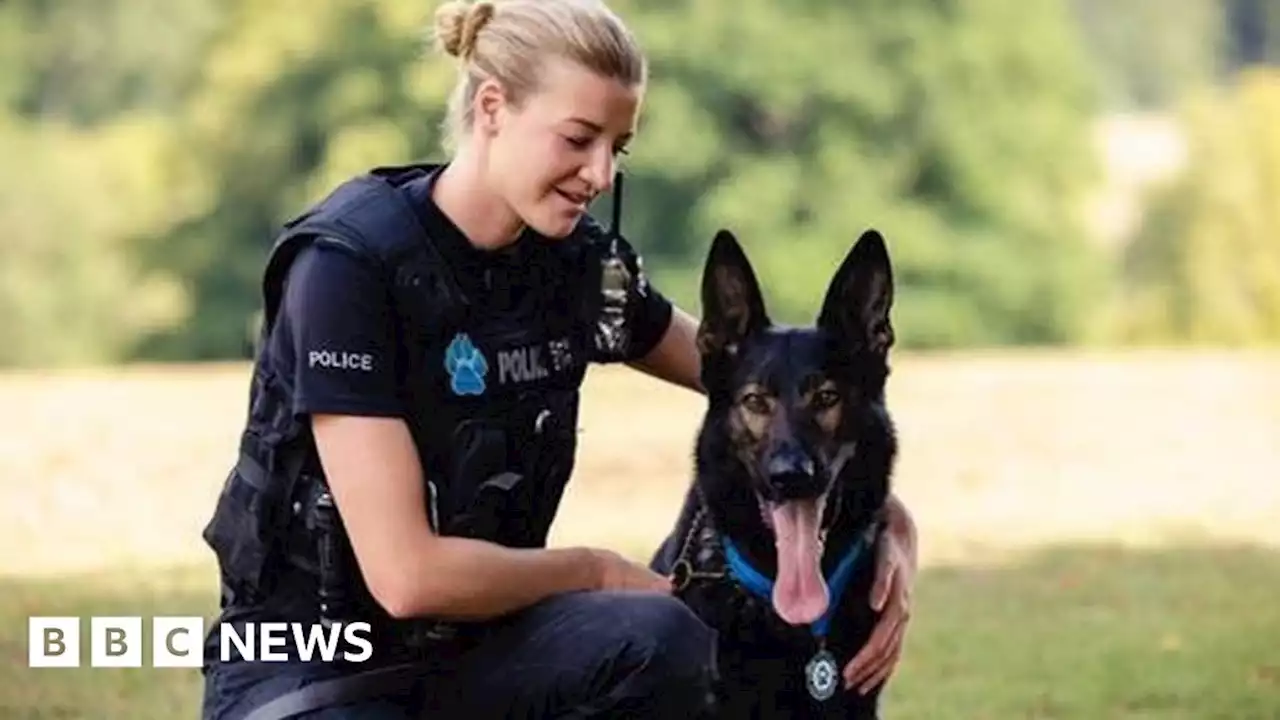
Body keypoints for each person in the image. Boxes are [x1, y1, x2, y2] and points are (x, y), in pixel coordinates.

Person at [198, 0, 919, 717]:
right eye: (578, 139)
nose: (600, 173)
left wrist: (874, 518)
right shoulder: (347, 268)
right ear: (491, 107)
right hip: (315, 666)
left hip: (479, 652)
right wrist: (595, 572)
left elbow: (761, 388)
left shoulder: (578, 271)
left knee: (666, 637)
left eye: (618, 146)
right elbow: (406, 576)